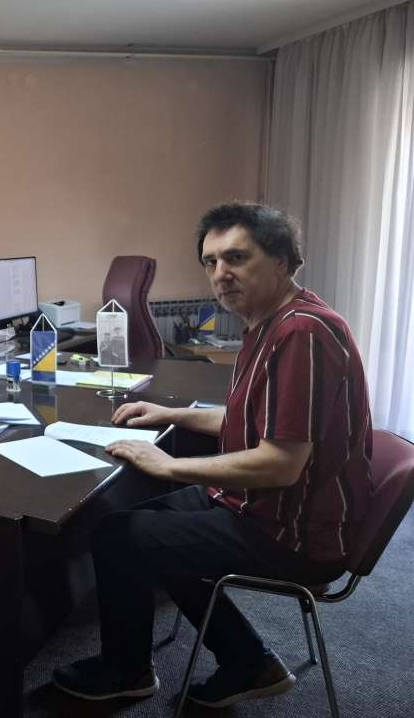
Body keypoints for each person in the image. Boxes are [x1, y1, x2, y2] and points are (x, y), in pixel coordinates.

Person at [52, 203, 372, 709]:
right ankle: (249, 661)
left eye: (237, 257)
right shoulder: (269, 322)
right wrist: (171, 414)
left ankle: (126, 671)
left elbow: (280, 462)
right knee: (128, 528)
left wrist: (170, 465)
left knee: (124, 537)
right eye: (211, 261)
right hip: (262, 505)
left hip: (295, 531)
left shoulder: (301, 334)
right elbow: (251, 420)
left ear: (282, 260)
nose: (220, 273)